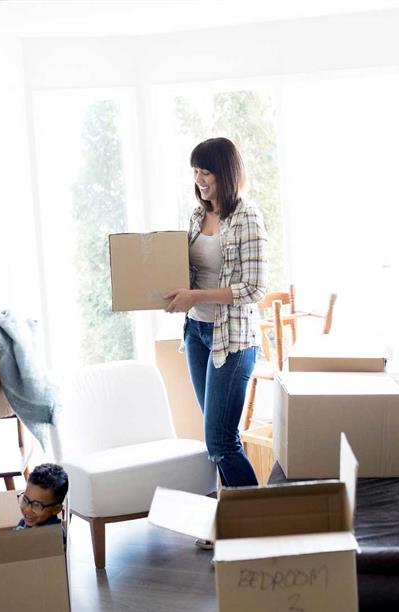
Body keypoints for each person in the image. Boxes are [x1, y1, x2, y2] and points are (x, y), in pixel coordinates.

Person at [164, 136, 268, 498]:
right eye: (195, 172)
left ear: (225, 172)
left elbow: (254, 288)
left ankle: (258, 518)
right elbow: (188, 271)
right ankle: (234, 514)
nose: (199, 180)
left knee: (220, 440)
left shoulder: (247, 218)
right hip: (196, 333)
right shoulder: (197, 216)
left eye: (205, 172)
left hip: (233, 340)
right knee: (218, 438)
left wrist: (196, 296)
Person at [15, 463, 68, 529]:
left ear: (56, 509)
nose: (27, 510)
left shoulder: (55, 533)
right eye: (25, 500)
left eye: (36, 505)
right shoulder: (23, 522)